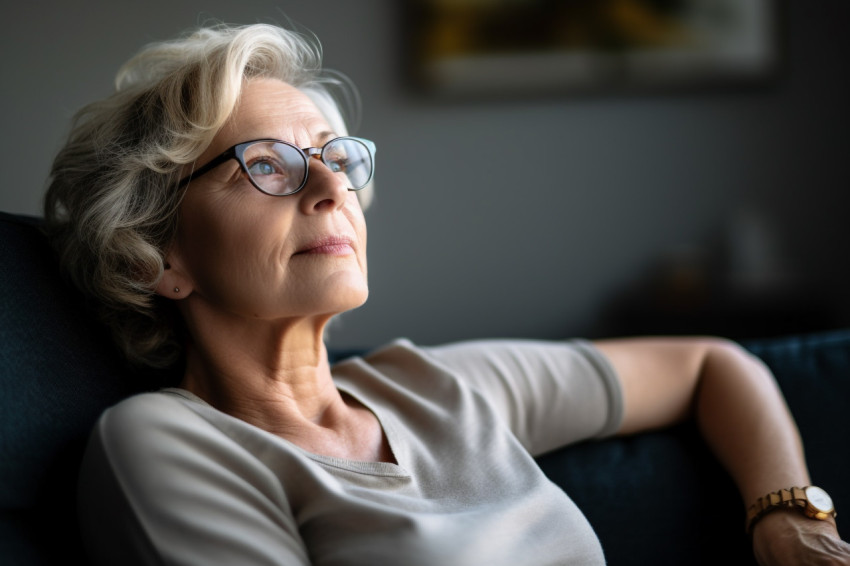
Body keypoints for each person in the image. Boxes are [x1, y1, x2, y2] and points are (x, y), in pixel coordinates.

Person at [43, 22, 848, 566]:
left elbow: (712, 364)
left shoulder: (437, 389)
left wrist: (786, 514)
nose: (330, 187)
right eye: (266, 164)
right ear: (159, 256)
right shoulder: (164, 443)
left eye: (334, 157)